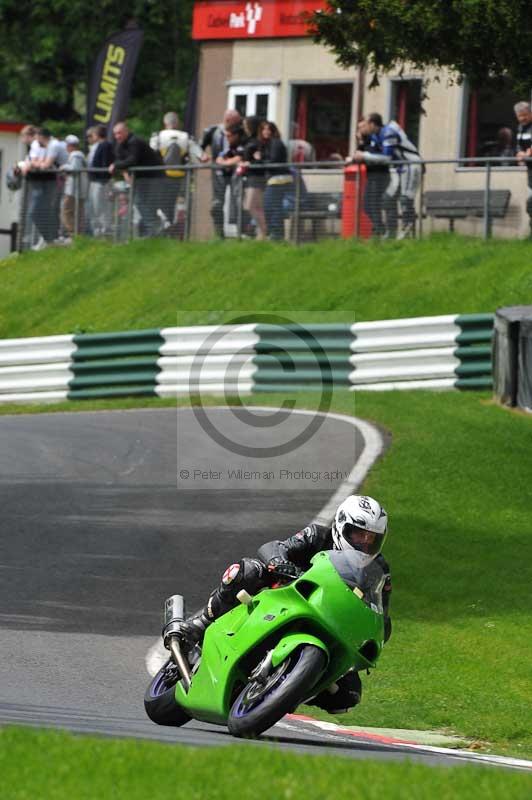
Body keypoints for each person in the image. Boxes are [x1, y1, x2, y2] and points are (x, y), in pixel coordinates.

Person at [173, 495, 392, 715]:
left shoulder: (379, 570)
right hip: (284, 593)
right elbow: (273, 548)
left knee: (349, 694)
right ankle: (201, 622)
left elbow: (380, 612)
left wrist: (380, 629)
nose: (364, 543)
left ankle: (291, 687)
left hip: (330, 620)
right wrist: (279, 562)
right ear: (341, 526)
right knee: (247, 572)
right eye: (358, 534)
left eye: (371, 538)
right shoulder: (317, 536)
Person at [353, 113, 422, 239]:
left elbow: (386, 157)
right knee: (387, 198)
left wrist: (364, 156)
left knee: (406, 198)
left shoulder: (388, 133)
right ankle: (391, 231)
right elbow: (373, 151)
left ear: (373, 124)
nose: (364, 128)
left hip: (410, 164)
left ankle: (407, 228)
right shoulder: (375, 135)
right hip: (398, 167)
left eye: (366, 124)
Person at [150, 111, 204, 230]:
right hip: (180, 177)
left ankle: (164, 225)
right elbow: (200, 156)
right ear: (177, 123)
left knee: (160, 201)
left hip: (161, 176)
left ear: (165, 123)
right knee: (174, 201)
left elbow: (150, 154)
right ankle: (171, 225)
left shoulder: (158, 136)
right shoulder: (186, 136)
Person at [110, 121, 164, 238]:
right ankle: (154, 229)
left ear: (126, 131)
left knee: (141, 202)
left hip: (153, 177)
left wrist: (116, 165)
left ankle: (154, 226)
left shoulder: (134, 141)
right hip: (142, 178)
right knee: (142, 203)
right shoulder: (120, 145)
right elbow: (120, 161)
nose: (117, 136)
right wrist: (124, 173)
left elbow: (132, 160)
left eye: (119, 133)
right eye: (115, 134)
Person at [19, 127, 67, 249]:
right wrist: (35, 163)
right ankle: (49, 239)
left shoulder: (51, 145)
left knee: (37, 212)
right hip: (47, 182)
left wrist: (30, 164)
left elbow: (45, 165)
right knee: (42, 212)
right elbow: (40, 162)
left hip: (52, 182)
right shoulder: (45, 145)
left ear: (40, 136)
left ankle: (52, 239)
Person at [200, 109, 242, 237]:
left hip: (236, 171)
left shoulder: (241, 132)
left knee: (238, 201)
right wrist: (202, 155)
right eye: (236, 122)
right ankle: (219, 233)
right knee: (217, 203)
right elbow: (198, 146)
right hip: (218, 171)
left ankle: (241, 232)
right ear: (228, 120)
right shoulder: (213, 131)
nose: (238, 124)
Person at [346, 119, 389, 238]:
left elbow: (371, 153)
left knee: (373, 204)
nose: (359, 131)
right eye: (358, 128)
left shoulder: (373, 139)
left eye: (361, 127)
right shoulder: (365, 141)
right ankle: (379, 228)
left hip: (379, 175)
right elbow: (359, 154)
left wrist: (361, 144)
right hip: (371, 176)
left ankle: (380, 230)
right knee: (367, 205)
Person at [259, 121, 293, 240]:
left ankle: (276, 235)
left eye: (268, 129)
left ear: (273, 131)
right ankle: (276, 235)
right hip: (274, 179)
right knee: (272, 207)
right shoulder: (268, 144)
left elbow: (273, 161)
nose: (266, 132)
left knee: (272, 207)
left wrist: (259, 161)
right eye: (263, 129)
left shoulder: (275, 143)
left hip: (278, 179)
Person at [242, 115, 267, 239]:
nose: (244, 127)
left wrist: (249, 163)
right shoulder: (249, 141)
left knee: (251, 206)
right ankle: (261, 234)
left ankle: (263, 232)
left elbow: (260, 160)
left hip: (256, 177)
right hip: (250, 176)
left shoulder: (257, 142)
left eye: (246, 125)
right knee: (256, 207)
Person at [59, 135, 89, 241]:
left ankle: (74, 234)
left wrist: (63, 167)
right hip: (77, 189)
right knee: (77, 212)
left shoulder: (76, 154)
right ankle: (78, 235)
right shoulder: (78, 155)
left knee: (66, 211)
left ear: (70, 146)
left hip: (74, 190)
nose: (66, 148)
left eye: (67, 145)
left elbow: (75, 169)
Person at [87, 125, 114, 237]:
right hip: (95, 180)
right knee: (94, 206)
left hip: (101, 181)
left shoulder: (105, 145)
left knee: (101, 206)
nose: (91, 137)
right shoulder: (98, 146)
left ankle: (105, 230)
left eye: (92, 135)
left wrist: (104, 178)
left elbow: (104, 163)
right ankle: (97, 230)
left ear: (97, 135)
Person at [514, 101, 532, 237]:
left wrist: (528, 153)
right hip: (530, 169)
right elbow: (518, 146)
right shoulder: (520, 128)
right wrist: (519, 153)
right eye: (520, 116)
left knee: (530, 202)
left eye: (525, 115)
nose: (522, 119)